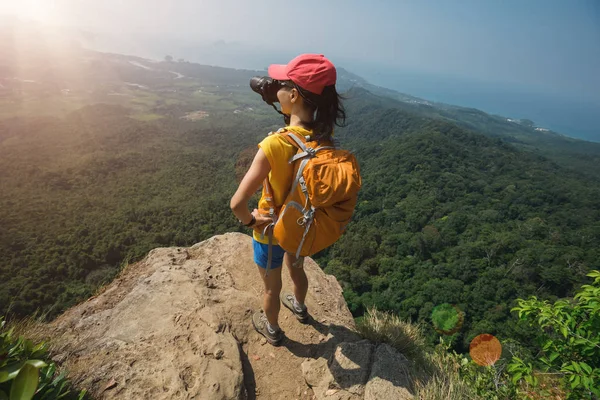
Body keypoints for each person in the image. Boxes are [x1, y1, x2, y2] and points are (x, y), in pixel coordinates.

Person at [230, 54, 346, 345]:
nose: (275, 88)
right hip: (299, 226)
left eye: (282, 84)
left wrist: (250, 220)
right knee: (297, 270)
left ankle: (272, 330)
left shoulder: (275, 144)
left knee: (271, 289)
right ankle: (300, 307)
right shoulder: (324, 136)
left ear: (294, 94)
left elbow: (237, 203)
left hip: (269, 230)